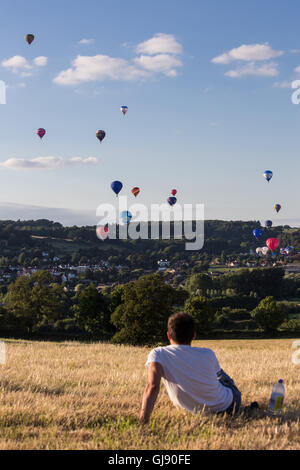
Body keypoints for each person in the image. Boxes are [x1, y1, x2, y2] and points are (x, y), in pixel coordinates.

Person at [139, 312, 256, 424]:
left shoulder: (158, 354)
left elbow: (152, 387)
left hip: (192, 410)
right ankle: (240, 409)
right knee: (220, 376)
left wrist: (143, 421)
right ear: (194, 335)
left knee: (217, 376)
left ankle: (241, 409)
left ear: (168, 335)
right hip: (226, 406)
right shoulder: (208, 353)